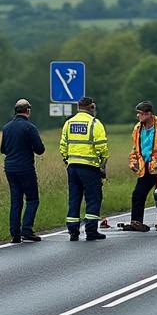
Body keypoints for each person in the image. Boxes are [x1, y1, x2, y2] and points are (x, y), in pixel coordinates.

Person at [60, 96, 110, 241]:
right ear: (91, 107)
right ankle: (91, 230)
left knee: (74, 198)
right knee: (94, 198)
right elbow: (102, 147)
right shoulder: (95, 123)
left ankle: (73, 231)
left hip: (72, 167)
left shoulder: (69, 123)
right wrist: (103, 162)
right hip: (89, 168)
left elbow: (63, 146)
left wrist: (67, 158)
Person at [123, 101, 157, 232]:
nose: (138, 116)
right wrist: (133, 162)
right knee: (138, 194)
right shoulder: (137, 128)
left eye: (140, 114)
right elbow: (135, 148)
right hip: (144, 167)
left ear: (149, 114)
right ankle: (136, 222)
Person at [0, 98, 45, 243]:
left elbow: (3, 149)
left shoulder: (6, 127)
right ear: (28, 111)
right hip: (25, 168)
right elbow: (40, 149)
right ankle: (27, 230)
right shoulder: (29, 127)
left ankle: (15, 233)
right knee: (32, 199)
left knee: (16, 201)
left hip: (10, 168)